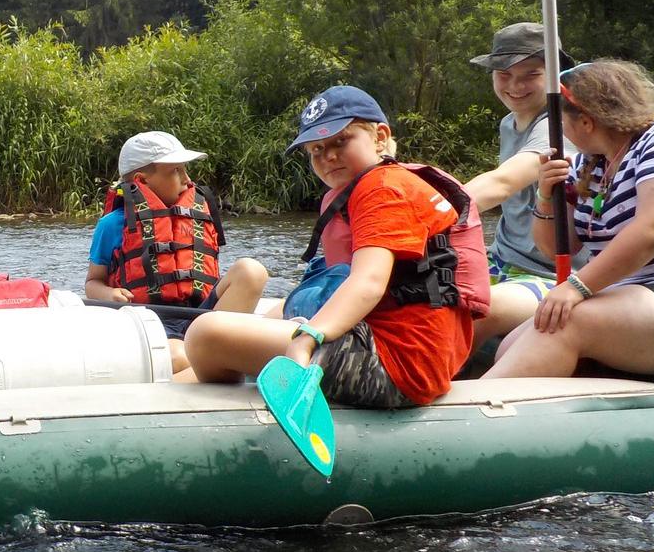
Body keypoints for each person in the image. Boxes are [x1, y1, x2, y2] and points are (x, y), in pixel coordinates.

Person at [184, 87, 477, 408]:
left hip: (396, 368)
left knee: (205, 334)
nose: (329, 156)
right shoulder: (394, 182)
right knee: (266, 323)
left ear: (380, 136)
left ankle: (228, 409)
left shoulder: (382, 189)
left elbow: (369, 282)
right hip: (413, 357)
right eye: (316, 149)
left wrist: (308, 338)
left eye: (341, 141)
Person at [484, 60, 654, 380]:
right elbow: (554, 248)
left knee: (563, 325)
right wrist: (546, 195)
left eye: (559, 120)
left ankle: (471, 416)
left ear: (587, 122)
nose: (560, 130)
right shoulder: (589, 165)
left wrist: (577, 287)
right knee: (511, 345)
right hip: (634, 301)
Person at [85, 131, 268, 376]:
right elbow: (92, 282)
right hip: (155, 321)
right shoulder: (112, 225)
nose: (187, 179)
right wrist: (110, 293)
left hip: (201, 312)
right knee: (178, 358)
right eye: (176, 170)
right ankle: (218, 360)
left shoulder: (196, 214)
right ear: (143, 180)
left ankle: (221, 350)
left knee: (251, 271)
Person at [463, 22, 585, 346]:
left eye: (531, 74)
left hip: (553, 275)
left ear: (556, 74)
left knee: (481, 310)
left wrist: (421, 213)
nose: (515, 85)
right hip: (501, 259)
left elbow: (502, 183)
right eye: (504, 74)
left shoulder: (561, 127)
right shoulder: (509, 123)